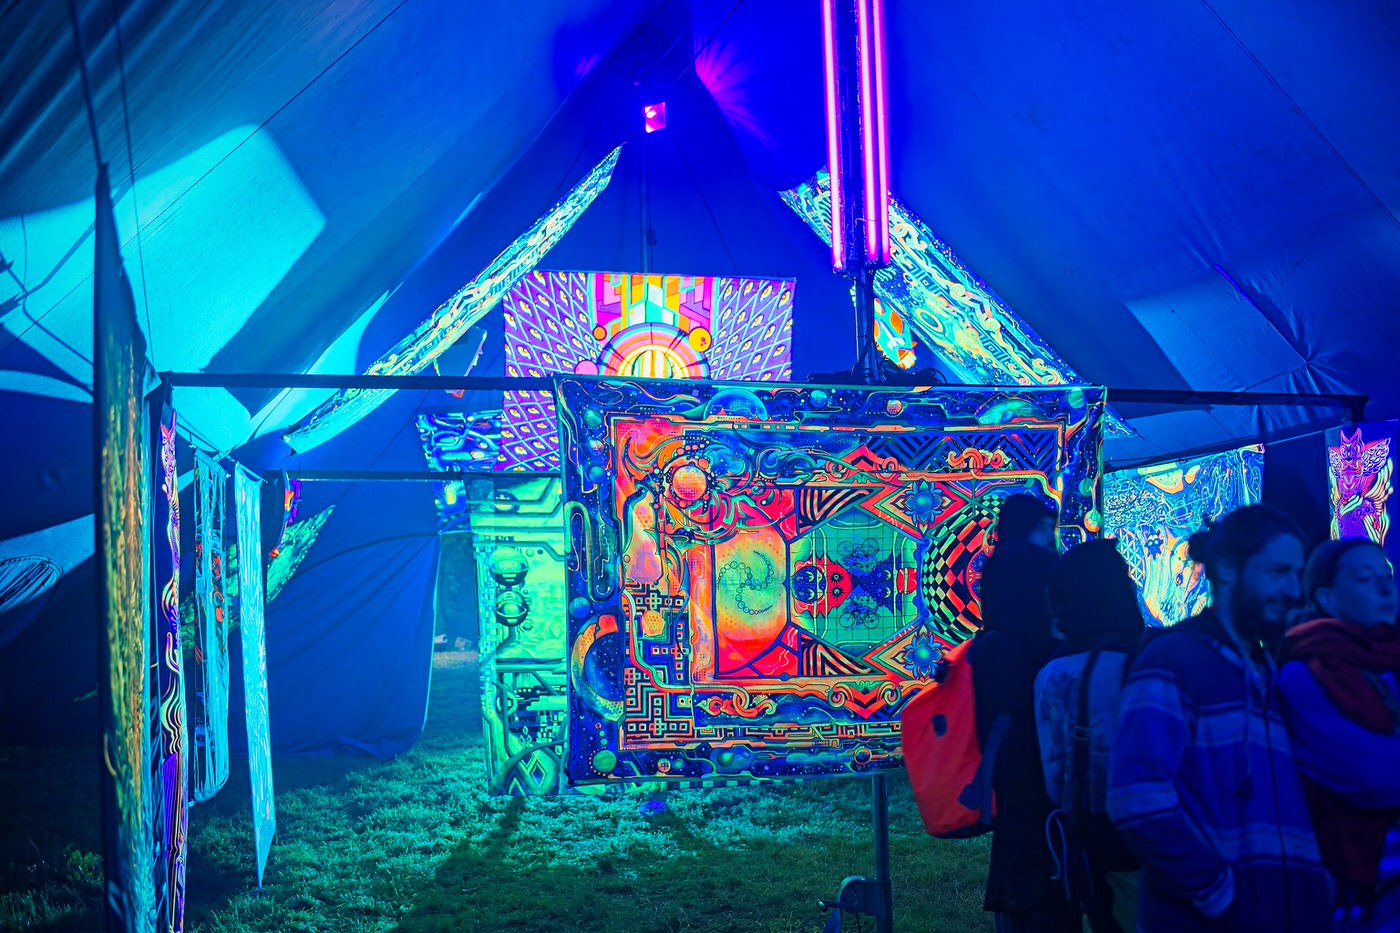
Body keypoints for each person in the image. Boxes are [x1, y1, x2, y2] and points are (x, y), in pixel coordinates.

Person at [1106, 504, 1331, 933]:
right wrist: (1218, 892)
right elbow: (1135, 797)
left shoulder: (1268, 671)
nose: (1293, 590)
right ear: (1227, 568)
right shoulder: (1174, 659)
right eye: (1278, 572)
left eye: (1296, 574)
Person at [972, 493, 1080, 932]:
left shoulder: (996, 565)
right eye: (1046, 528)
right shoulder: (1038, 564)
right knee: (1042, 822)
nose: (1050, 537)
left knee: (1015, 823)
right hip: (1033, 704)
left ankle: (1017, 904)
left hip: (1001, 710)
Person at [1279, 539, 1400, 930]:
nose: (1385, 588)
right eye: (1365, 579)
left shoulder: (1392, 658)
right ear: (1327, 599)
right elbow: (1374, 776)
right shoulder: (1305, 673)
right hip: (1370, 889)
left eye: (1387, 576)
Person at [1035, 539, 1144, 932]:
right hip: (1145, 835)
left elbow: (1052, 769)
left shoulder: (1049, 670)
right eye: (1125, 576)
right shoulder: (1139, 657)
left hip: (1085, 834)